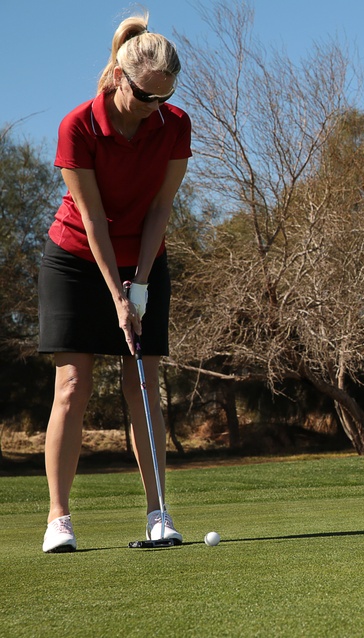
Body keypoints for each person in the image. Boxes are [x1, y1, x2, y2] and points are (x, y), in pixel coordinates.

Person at [37, 13, 190, 553]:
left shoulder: (175, 125)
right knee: (73, 386)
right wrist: (118, 296)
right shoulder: (78, 125)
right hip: (77, 258)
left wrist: (141, 286)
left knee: (143, 386)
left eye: (165, 98)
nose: (157, 109)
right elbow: (94, 218)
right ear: (121, 78)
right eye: (148, 97)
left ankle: (158, 514)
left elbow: (160, 208)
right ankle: (59, 518)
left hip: (144, 257)